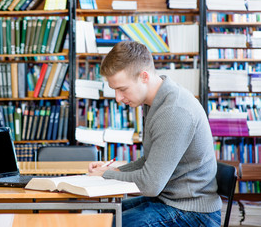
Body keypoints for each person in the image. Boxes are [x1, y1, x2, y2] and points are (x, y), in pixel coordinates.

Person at [88, 41, 222, 226]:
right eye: (114, 90)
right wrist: (113, 170)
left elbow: (150, 184)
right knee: (101, 216)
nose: (118, 98)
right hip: (170, 200)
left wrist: (106, 175)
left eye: (122, 89)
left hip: (193, 212)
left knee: (108, 223)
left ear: (144, 77)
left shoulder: (173, 111)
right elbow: (151, 162)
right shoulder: (154, 102)